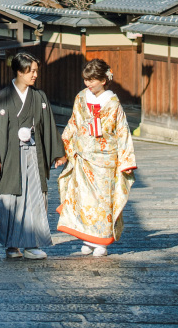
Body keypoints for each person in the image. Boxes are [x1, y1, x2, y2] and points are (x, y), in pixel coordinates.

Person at [0, 52, 66, 260]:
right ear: (19, 71)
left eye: (36, 71)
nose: (35, 75)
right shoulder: (1, 98)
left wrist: (57, 153)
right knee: (11, 199)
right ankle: (12, 246)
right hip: (9, 156)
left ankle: (32, 245)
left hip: (34, 153)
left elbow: (49, 126)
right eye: (31, 71)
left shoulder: (39, 97)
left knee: (36, 197)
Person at [56, 58, 137, 257]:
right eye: (86, 80)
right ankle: (88, 239)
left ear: (103, 80)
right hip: (84, 156)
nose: (88, 84)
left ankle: (101, 241)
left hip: (105, 159)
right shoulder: (81, 98)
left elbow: (123, 132)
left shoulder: (113, 103)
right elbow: (73, 123)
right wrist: (62, 150)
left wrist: (126, 160)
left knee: (102, 201)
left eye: (92, 80)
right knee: (84, 200)